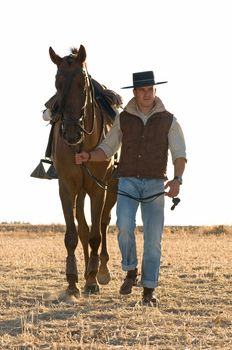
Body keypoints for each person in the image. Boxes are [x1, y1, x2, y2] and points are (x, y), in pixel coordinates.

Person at [75, 71, 187, 306]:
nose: (147, 94)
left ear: (155, 91)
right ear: (135, 93)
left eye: (150, 90)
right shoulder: (123, 118)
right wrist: (88, 156)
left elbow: (179, 154)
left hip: (156, 184)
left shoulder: (169, 120)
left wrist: (177, 179)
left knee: (153, 240)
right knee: (124, 226)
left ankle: (149, 292)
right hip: (127, 182)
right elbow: (107, 148)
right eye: (142, 90)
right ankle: (130, 270)